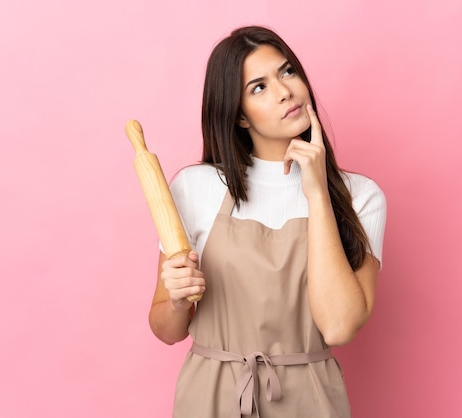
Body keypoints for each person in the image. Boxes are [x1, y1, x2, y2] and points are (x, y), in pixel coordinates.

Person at [148, 25, 387, 418]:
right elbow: (166, 329)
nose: (284, 91)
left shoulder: (361, 196)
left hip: (311, 402)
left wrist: (317, 193)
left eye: (287, 71)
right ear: (240, 117)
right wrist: (175, 300)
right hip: (210, 398)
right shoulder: (196, 188)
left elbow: (340, 326)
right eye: (258, 87)